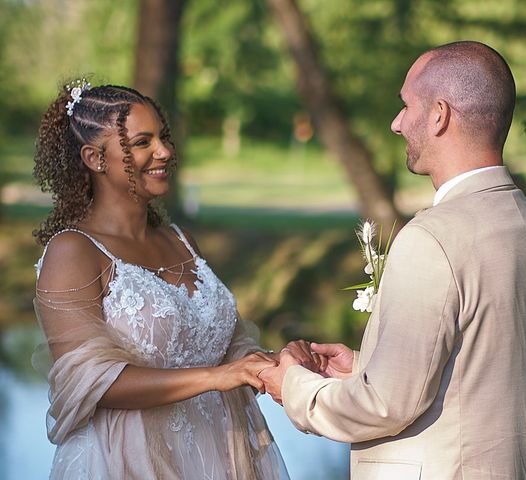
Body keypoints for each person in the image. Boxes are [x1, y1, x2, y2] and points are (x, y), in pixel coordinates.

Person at [259, 41, 526, 479]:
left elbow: (383, 404)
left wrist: (292, 385)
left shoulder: (432, 237)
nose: (396, 122)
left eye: (406, 106)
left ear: (440, 115)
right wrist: (364, 367)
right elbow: (476, 367)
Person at [32, 80, 318, 479]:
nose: (164, 151)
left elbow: (225, 348)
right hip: (128, 460)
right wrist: (216, 379)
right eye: (142, 142)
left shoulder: (181, 240)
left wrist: (277, 361)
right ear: (95, 158)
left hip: (219, 452)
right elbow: (91, 384)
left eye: (162, 137)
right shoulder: (73, 251)